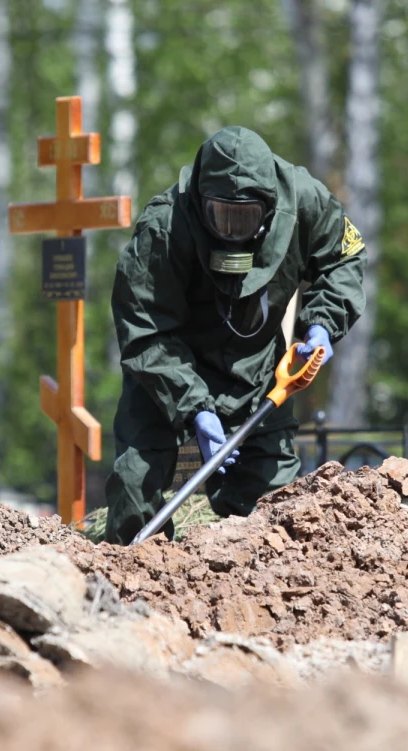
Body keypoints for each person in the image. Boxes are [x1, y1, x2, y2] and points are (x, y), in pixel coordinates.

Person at [103, 125, 367, 545]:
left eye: (243, 217)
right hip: (168, 368)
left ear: (268, 207)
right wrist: (195, 408)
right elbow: (144, 331)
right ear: (201, 201)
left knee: (277, 508)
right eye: (220, 215)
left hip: (258, 370)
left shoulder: (304, 199)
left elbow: (344, 256)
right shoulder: (163, 227)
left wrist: (321, 324)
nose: (230, 230)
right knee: (137, 486)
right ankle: (132, 581)